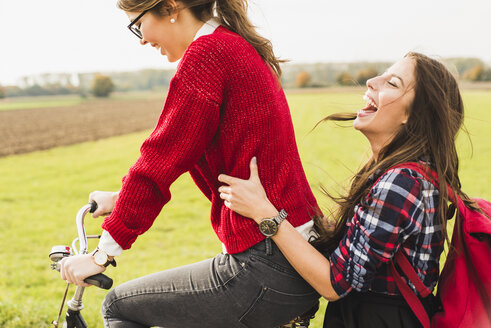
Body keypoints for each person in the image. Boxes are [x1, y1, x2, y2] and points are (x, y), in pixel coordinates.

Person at [60, 0, 323, 327]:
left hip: (266, 264)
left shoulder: (207, 57)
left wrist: (101, 256)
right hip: (295, 254)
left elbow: (159, 160)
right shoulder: (232, 45)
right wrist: (121, 198)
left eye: (137, 25)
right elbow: (184, 153)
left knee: (119, 305)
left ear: (170, 8)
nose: (141, 39)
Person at [218, 52, 479, 327]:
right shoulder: (409, 173)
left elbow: (334, 283)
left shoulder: (401, 183)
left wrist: (265, 214)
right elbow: (356, 247)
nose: (370, 81)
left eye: (392, 84)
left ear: (412, 115)